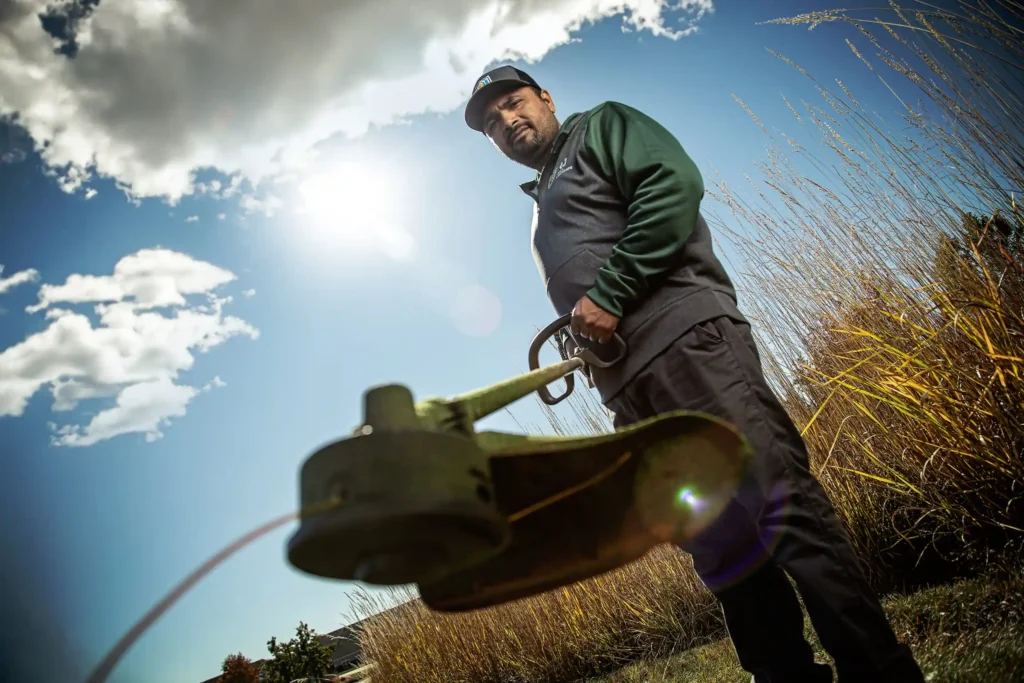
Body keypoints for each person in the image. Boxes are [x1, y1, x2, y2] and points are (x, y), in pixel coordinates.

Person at [464, 65, 926, 683]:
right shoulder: (541, 197)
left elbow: (671, 184)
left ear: (545, 98)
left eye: (514, 102)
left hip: (689, 345)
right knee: (716, 539)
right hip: (631, 389)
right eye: (492, 123)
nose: (507, 121)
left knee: (778, 500)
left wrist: (611, 291)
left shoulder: (602, 126)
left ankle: (880, 670)